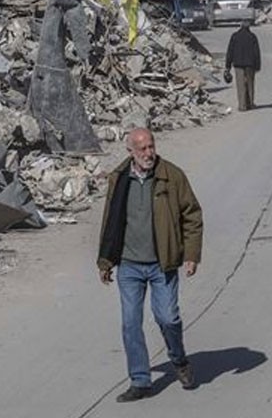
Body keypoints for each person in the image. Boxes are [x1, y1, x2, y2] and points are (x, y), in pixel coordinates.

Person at [98, 128, 203, 402]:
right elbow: (111, 221)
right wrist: (106, 260)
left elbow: (192, 215)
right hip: (129, 265)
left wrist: (191, 254)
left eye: (151, 146)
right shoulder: (119, 179)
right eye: (142, 149)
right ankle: (140, 381)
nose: (149, 153)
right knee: (130, 323)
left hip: (162, 264)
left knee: (168, 318)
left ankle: (179, 360)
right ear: (130, 152)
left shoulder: (172, 176)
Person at [225, 20, 261, 111]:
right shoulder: (252, 37)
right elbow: (256, 53)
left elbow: (230, 52)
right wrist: (257, 66)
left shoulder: (235, 36)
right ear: (249, 27)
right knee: (250, 84)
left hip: (238, 65)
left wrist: (227, 66)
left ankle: (242, 105)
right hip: (250, 65)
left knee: (240, 85)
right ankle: (250, 103)